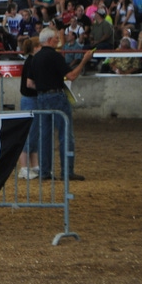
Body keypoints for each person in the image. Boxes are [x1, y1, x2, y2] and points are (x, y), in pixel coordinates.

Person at [27, 28, 94, 182]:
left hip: (42, 97)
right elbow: (71, 76)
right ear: (50, 40)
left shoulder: (35, 59)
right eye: (56, 38)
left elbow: (30, 83)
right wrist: (84, 60)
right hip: (57, 96)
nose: (58, 40)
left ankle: (45, 171)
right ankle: (67, 171)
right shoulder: (55, 57)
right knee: (65, 134)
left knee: (45, 135)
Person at [17, 37, 41, 180]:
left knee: (34, 134)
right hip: (30, 100)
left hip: (31, 100)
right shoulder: (31, 62)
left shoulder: (31, 61)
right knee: (29, 134)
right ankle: (24, 168)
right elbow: (30, 84)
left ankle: (34, 166)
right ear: (35, 48)